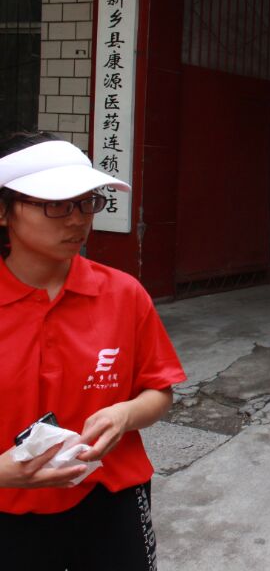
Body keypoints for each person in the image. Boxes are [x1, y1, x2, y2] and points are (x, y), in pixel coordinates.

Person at [0, 132, 186, 570]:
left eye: (87, 202)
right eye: (56, 204)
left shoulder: (123, 294)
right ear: (4, 211)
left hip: (110, 497)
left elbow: (158, 391)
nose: (77, 220)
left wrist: (125, 415)